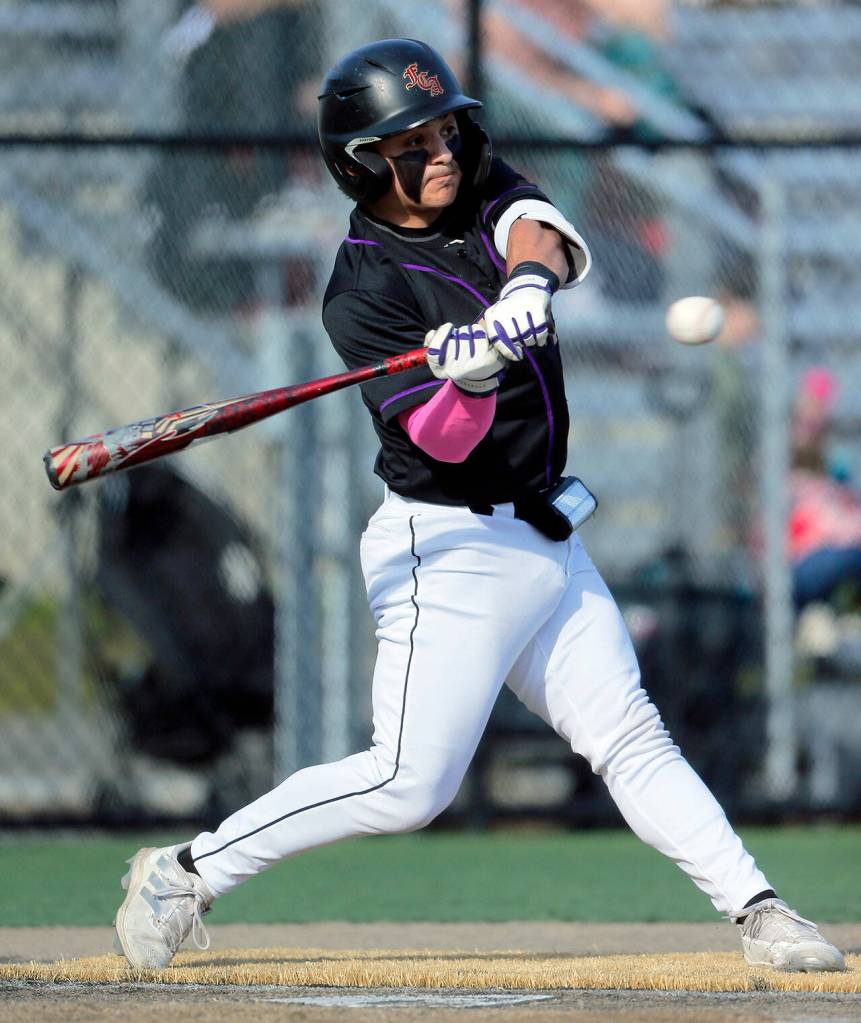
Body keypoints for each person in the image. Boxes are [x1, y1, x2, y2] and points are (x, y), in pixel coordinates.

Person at [113, 39, 845, 975]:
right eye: (408, 145)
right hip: (442, 549)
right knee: (407, 782)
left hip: (542, 530)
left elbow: (538, 235)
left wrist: (526, 290)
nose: (440, 154)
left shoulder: (482, 184)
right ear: (359, 162)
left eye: (444, 131)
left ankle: (758, 910)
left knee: (628, 732)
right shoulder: (361, 293)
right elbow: (443, 444)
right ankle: (185, 870)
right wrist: (472, 374)